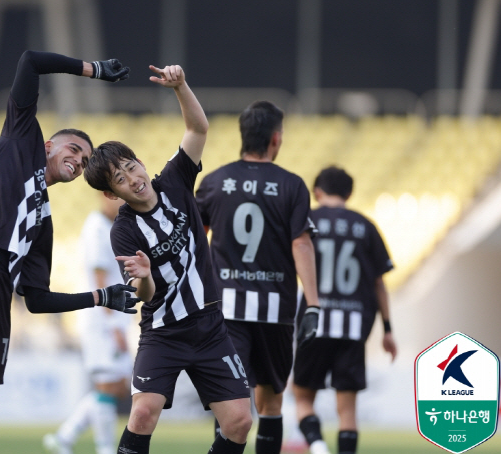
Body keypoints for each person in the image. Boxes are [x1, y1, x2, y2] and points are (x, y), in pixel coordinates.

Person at [0, 50, 138, 454]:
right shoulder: (21, 141)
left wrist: (101, 297)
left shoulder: (44, 221)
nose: (79, 161)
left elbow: (35, 299)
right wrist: (93, 70)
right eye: (74, 149)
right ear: (49, 145)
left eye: (85, 161)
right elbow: (30, 61)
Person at [84, 64, 253, 454]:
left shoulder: (174, 181)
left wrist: (180, 87)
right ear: (111, 194)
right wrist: (144, 276)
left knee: (239, 422)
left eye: (131, 167)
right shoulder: (123, 231)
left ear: (141, 163)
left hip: (210, 327)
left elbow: (198, 130)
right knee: (143, 414)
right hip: (163, 333)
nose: (133, 179)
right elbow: (143, 294)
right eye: (120, 179)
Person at [195, 100, 321, 454]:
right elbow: (301, 244)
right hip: (275, 312)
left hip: (225, 310)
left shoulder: (214, 181)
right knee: (271, 404)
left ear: (243, 135)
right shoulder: (292, 185)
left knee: (229, 403)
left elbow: (195, 242)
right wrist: (313, 304)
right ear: (275, 139)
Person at [292, 166, 397, 454]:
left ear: (317, 192)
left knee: (302, 397)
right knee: (347, 409)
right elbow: (379, 283)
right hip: (353, 326)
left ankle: (317, 446)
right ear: (349, 193)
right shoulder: (366, 226)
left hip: (313, 323)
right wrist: (388, 330)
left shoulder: (306, 220)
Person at [43, 194, 132, 454]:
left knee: (117, 385)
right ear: (106, 196)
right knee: (108, 385)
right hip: (102, 321)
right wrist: (113, 325)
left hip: (114, 318)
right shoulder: (96, 228)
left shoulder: (113, 226)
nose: (124, 202)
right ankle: (104, 448)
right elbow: (99, 279)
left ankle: (65, 436)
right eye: (119, 196)